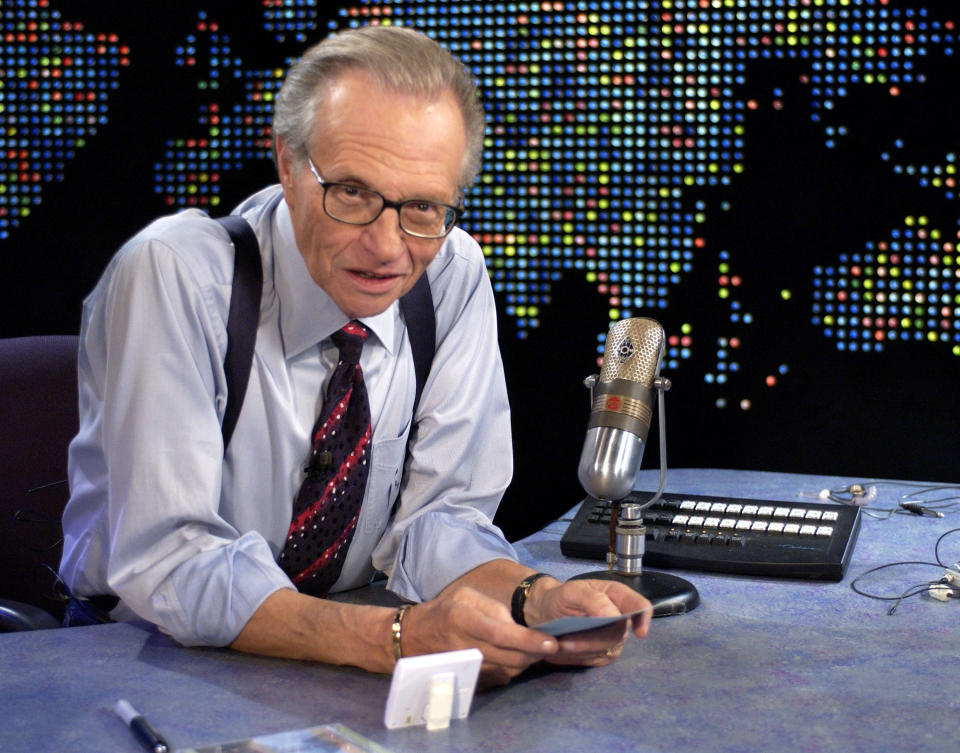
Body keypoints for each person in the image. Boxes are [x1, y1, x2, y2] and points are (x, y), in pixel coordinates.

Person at [59, 25, 651, 685]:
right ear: (288, 165)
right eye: (352, 193)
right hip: (141, 660)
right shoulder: (176, 274)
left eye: (423, 206)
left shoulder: (450, 273)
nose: (388, 247)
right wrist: (398, 639)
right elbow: (173, 559)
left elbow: (439, 522)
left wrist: (532, 595)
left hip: (336, 656)